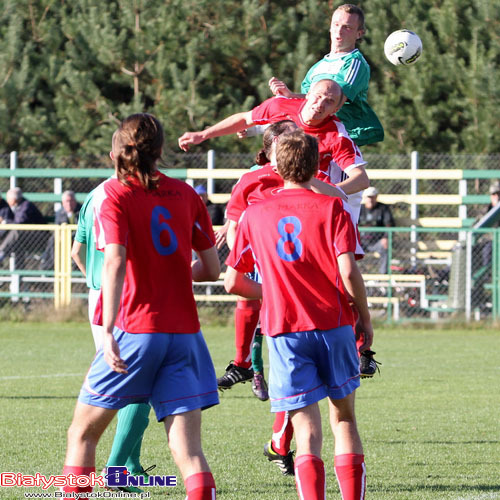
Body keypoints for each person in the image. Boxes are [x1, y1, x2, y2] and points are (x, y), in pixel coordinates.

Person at [61, 113, 220, 499]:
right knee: (187, 450)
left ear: (117, 149)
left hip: (137, 329)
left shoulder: (115, 194)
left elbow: (114, 259)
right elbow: (212, 269)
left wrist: (111, 329)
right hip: (185, 335)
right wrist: (175, 272)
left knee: (82, 434)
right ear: (161, 150)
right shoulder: (186, 194)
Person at [224, 130, 373, 500]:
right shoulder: (333, 207)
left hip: (283, 329)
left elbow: (233, 282)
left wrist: (274, 292)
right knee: (344, 418)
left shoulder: (254, 214)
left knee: (305, 428)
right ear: (318, 165)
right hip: (334, 324)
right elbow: (349, 272)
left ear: (276, 163)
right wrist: (365, 319)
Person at [219, 120, 347, 403]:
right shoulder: (251, 180)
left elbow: (341, 200)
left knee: (296, 369)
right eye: (287, 141)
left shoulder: (315, 185)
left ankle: (282, 433)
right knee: (250, 302)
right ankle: (245, 364)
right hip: (266, 267)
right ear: (270, 150)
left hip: (309, 275)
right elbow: (235, 228)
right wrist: (249, 262)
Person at [178, 78, 369, 222]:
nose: (320, 104)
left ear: (335, 109)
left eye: (329, 101)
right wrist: (202, 135)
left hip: (306, 202)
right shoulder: (280, 105)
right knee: (245, 193)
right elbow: (245, 119)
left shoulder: (337, 136)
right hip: (272, 193)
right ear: (308, 94)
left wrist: (328, 190)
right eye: (318, 96)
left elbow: (361, 179)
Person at [267, 3, 383, 147]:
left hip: (339, 140)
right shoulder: (317, 67)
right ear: (330, 26)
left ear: (359, 33)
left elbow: (334, 102)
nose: (339, 31)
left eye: (347, 27)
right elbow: (304, 109)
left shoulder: (355, 63)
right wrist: (259, 126)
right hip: (312, 138)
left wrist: (292, 96)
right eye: (336, 24)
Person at [0, 187, 46, 265]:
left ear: (14, 199)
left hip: (40, 237)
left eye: (8, 199)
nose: (7, 201)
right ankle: (18, 270)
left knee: (16, 232)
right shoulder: (18, 206)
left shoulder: (26, 206)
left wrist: (4, 222)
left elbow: (18, 223)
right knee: (17, 240)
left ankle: (1, 253)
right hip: (25, 237)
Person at [41, 190, 82, 270]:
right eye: (66, 201)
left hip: (77, 238)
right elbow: (58, 227)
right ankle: (51, 264)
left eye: (71, 201)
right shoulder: (60, 212)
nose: (69, 203)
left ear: (75, 201)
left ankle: (76, 266)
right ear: (63, 203)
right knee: (53, 239)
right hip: (64, 238)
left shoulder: (82, 211)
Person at [358, 186, 395, 274]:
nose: (370, 199)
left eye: (372, 197)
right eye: (368, 197)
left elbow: (389, 224)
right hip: (361, 241)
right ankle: (356, 275)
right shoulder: (359, 209)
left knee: (385, 249)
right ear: (364, 198)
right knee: (348, 251)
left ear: (376, 197)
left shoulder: (383, 208)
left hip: (377, 242)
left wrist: (386, 238)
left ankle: (383, 276)